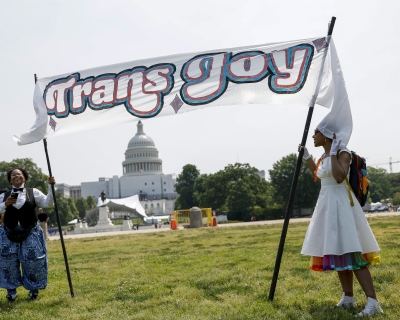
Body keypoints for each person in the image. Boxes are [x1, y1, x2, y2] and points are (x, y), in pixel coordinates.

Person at [299, 129, 383, 317]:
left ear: (327, 136)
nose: (313, 136)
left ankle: (373, 301)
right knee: (337, 250)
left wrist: (335, 153)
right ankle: (348, 297)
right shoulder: (323, 155)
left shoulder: (343, 153)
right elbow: (320, 175)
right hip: (328, 206)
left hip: (342, 206)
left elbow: (338, 176)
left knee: (353, 251)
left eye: (316, 133)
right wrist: (307, 157)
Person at [0, 168, 55, 302]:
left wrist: (51, 186)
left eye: (19, 174)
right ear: (10, 179)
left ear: (24, 177)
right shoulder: (3, 195)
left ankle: (33, 290)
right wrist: (5, 204)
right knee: (8, 262)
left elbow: (48, 203)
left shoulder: (33, 192)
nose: (16, 176)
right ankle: (11, 292)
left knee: (33, 261)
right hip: (9, 232)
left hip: (30, 232)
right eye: (13, 175)